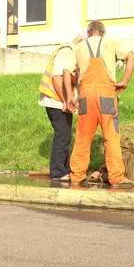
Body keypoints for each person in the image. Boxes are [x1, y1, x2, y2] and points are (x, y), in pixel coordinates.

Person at [63, 21, 134, 187]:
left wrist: (69, 96)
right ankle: (117, 178)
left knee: (82, 137)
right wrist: (124, 81)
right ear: (103, 33)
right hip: (106, 95)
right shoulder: (111, 43)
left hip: (85, 96)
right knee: (111, 136)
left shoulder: (78, 48)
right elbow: (131, 56)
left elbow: (66, 71)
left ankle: (77, 176)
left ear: (88, 33)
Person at [38, 31, 87, 181]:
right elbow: (56, 77)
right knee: (62, 135)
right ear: (80, 41)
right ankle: (58, 172)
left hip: (57, 100)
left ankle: (64, 169)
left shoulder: (68, 51)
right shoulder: (67, 51)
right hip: (56, 101)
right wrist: (65, 100)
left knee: (64, 135)